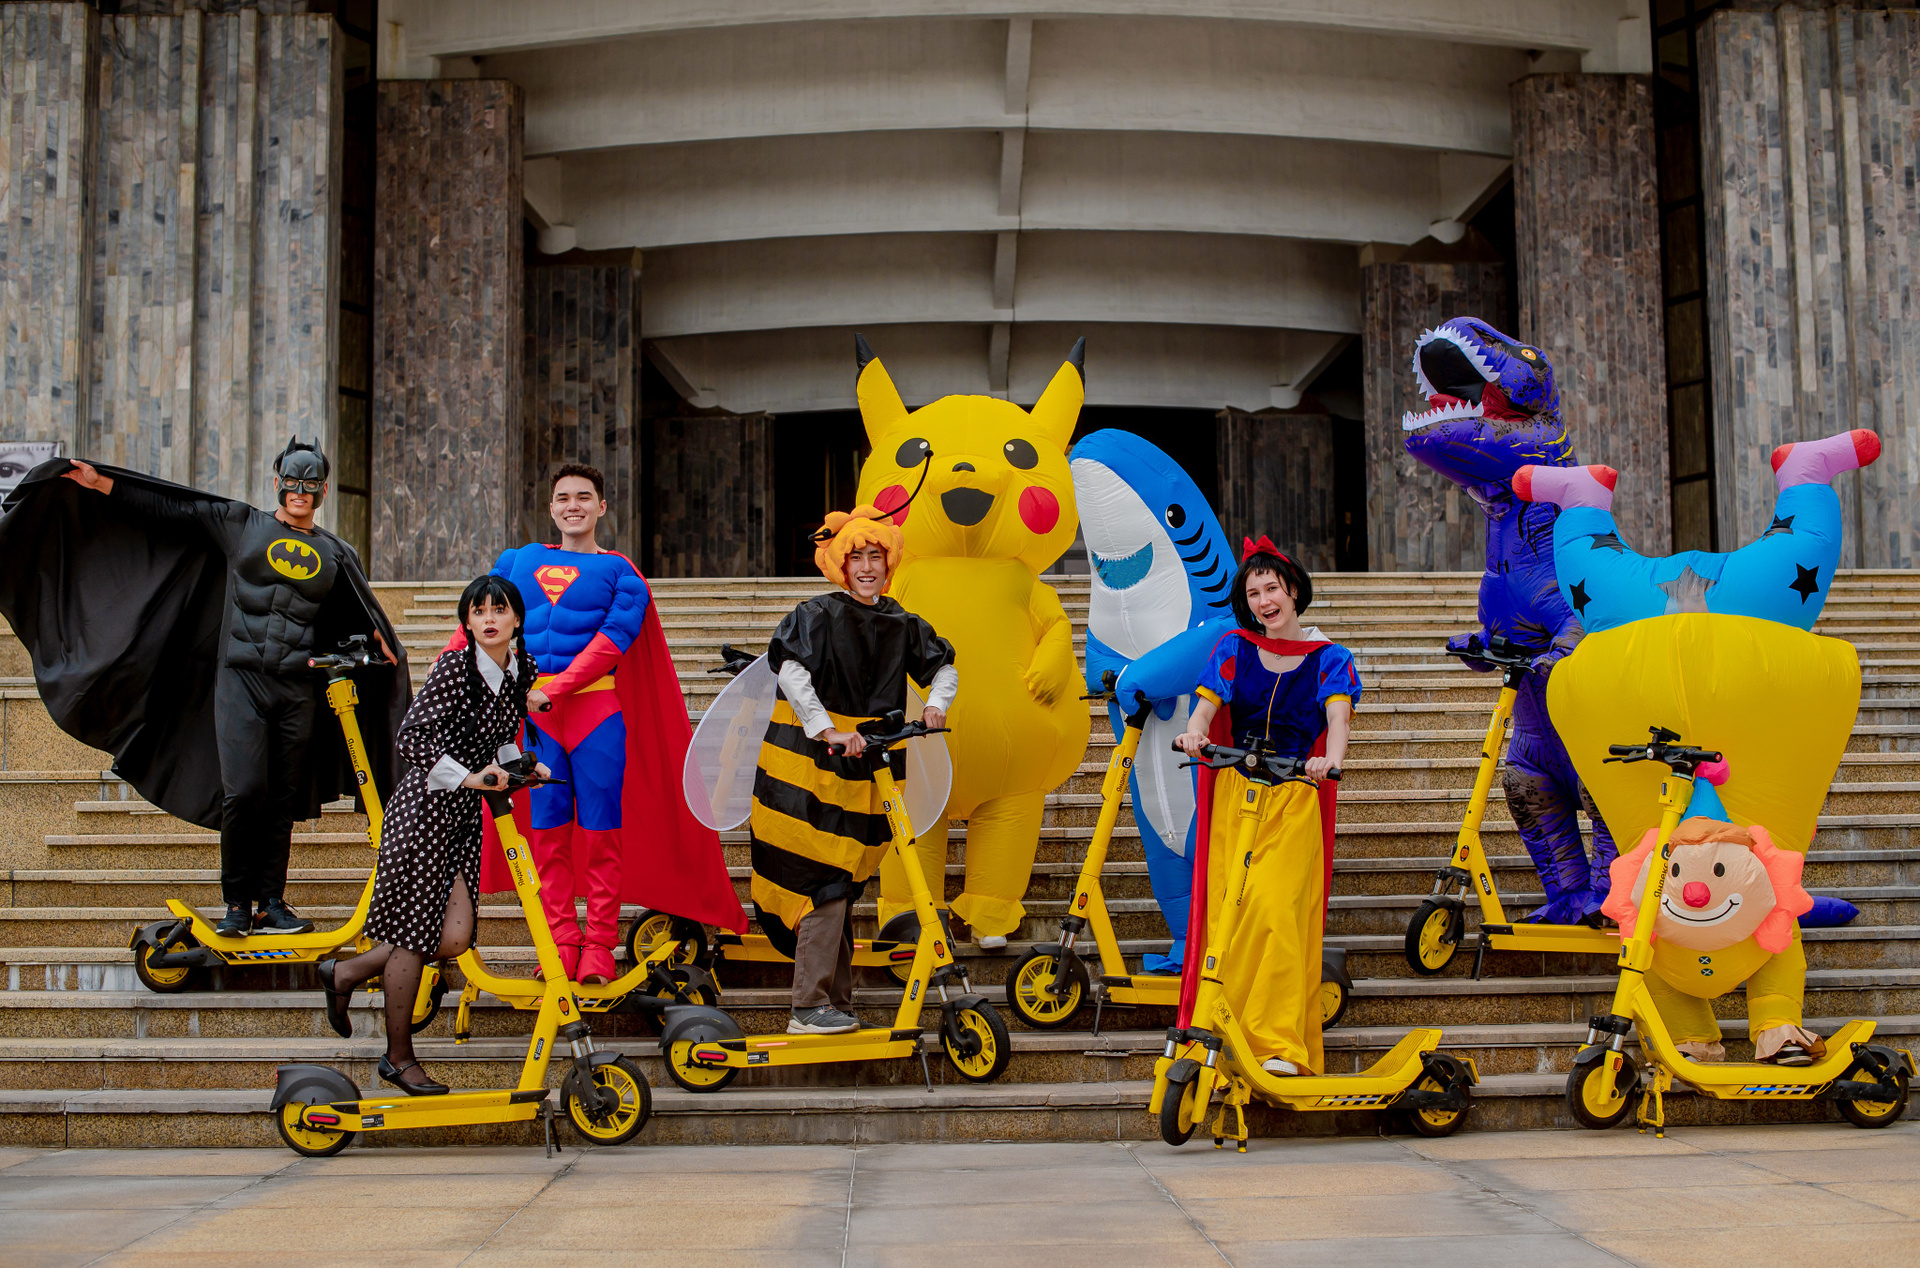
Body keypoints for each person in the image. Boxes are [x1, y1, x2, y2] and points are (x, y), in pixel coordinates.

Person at [35, 439, 402, 937]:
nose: (300, 491)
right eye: (292, 482)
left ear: (323, 490)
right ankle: (236, 903)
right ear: (278, 483)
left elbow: (354, 613)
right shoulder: (241, 524)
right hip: (241, 681)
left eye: (310, 484)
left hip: (296, 686)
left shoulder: (336, 553)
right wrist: (104, 484)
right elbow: (171, 507)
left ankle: (270, 902)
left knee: (281, 799)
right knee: (245, 791)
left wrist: (376, 633)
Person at [452, 464, 742, 985]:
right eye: (563, 497)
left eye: (584, 497)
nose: (573, 506)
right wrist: (447, 667)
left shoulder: (622, 574)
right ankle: (562, 940)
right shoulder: (516, 561)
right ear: (551, 508)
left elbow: (612, 642)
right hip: (537, 723)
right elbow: (475, 623)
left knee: (601, 832)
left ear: (601, 507)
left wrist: (554, 689)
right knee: (546, 833)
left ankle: (601, 943)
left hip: (594, 715)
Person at [319, 575, 545, 1095]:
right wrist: (470, 777)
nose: (489, 619)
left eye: (499, 610)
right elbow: (412, 739)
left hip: (463, 816)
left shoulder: (520, 668)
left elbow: (498, 739)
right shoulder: (454, 668)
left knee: (456, 936)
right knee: (414, 936)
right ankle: (398, 1058)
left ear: (516, 619)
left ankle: (345, 973)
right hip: (423, 811)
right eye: (478, 611)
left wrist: (523, 767)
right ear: (467, 622)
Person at [749, 506, 958, 1034]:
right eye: (857, 557)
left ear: (889, 565)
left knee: (843, 880)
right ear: (840, 565)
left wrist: (937, 704)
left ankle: (834, 1003)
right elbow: (791, 671)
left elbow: (944, 667)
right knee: (822, 879)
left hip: (872, 764)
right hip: (810, 764)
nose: (867, 567)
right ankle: (807, 1006)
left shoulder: (902, 622)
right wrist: (827, 730)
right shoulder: (815, 614)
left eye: (875, 557)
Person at [1174, 539, 1358, 1077]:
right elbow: (1205, 709)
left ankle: (1277, 1043)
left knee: (1276, 910)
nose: (1263, 601)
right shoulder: (1233, 648)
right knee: (1229, 914)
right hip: (1237, 794)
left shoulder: (1330, 658)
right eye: (1253, 593)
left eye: (1271, 588)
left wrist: (1330, 761)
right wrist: (1194, 732)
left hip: (1295, 795)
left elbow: (1339, 720)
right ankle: (1220, 1029)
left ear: (1293, 590)